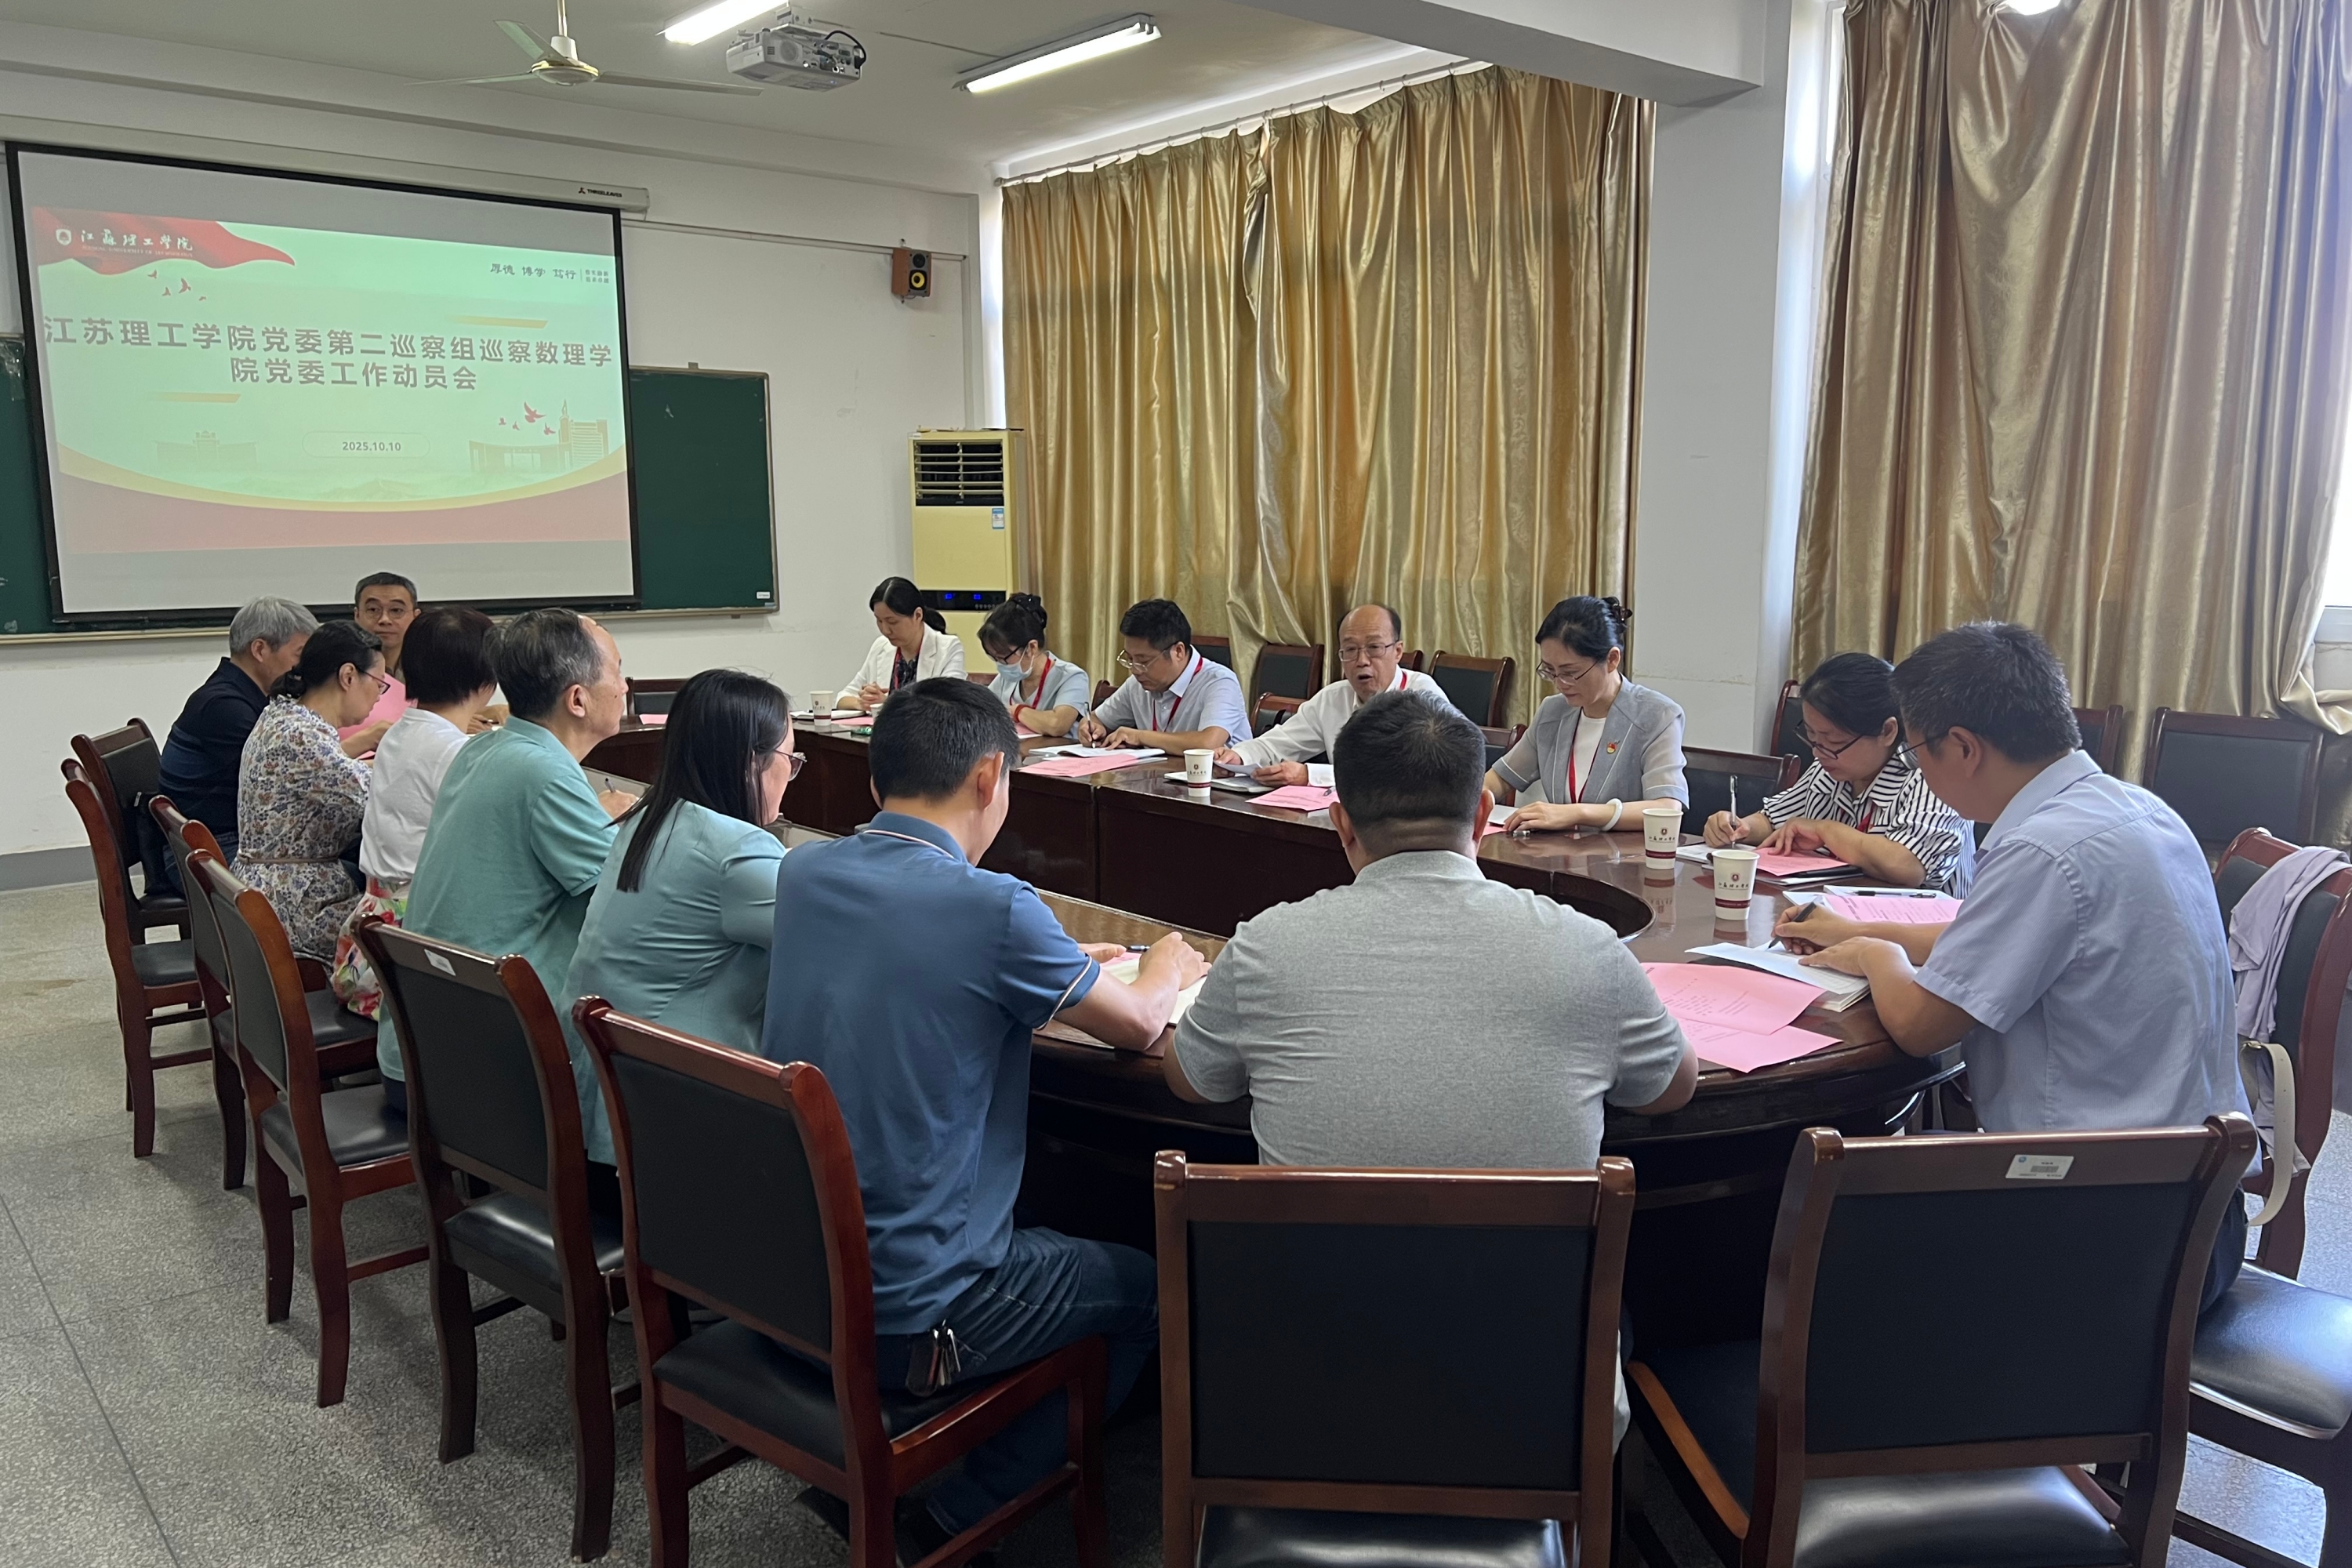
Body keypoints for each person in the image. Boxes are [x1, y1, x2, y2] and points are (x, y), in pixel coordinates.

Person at [764, 678, 1206, 1555]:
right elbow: (1140, 1023)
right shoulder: (994, 906)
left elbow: (919, 961)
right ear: (990, 776)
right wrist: (1163, 964)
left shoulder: (805, 871)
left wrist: (1056, 956)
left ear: (876, 777)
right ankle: (955, 1512)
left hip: (794, 1274)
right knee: (1152, 1287)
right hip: (916, 1307)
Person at [1784, 622, 2251, 1309]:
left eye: (1917, 751)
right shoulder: (2136, 809)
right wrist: (1857, 928)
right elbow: (1996, 937)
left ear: (1963, 747)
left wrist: (1877, 955)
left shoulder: (2040, 849)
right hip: (2201, 1209)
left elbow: (1919, 1026)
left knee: (1810, 1245)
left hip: (2106, 1241)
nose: (1921, 771)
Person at [1171, 689, 1697, 1161]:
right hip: (1530, 1247)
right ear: (1483, 815)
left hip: (1315, 1246)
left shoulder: (1263, 947)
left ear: (1342, 824)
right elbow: (1671, 1088)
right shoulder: (1590, 949)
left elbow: (1192, 1080)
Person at [379, 608, 630, 1113]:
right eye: (619, 670)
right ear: (577, 699)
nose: (626, 686)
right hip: (478, 1073)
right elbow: (625, 904)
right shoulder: (543, 773)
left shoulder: (484, 750)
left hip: (421, 1048)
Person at [564, 670, 797, 1167]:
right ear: (751, 763)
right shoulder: (737, 851)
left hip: (599, 1106)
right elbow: (835, 945)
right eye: (789, 761)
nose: (789, 778)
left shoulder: (647, 818)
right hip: (670, 1127)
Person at [330, 608, 499, 1017]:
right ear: (487, 681)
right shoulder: (457, 752)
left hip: (373, 940)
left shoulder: (400, 733)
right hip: (416, 958)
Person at [1704, 652, 1975, 893]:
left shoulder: (1931, 775)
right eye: (1812, 736)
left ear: (1887, 731)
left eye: (1834, 741)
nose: (1818, 752)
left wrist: (1826, 830)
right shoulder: (1829, 769)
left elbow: (1908, 866)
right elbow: (1775, 819)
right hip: (1840, 914)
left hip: (1924, 928)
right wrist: (1739, 827)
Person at [234, 622, 382, 960]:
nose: (378, 696)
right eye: (379, 684)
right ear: (348, 676)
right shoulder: (301, 737)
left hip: (277, 890)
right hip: (295, 907)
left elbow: (343, 773)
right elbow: (377, 796)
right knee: (408, 925)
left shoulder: (285, 714)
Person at [1487, 596, 1688, 833]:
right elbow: (1500, 778)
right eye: (1550, 671)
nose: (1560, 684)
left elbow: (1667, 808)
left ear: (1612, 659)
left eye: (1570, 672)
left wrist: (1577, 813)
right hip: (1560, 852)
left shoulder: (1657, 716)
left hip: (1623, 854)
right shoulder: (1553, 711)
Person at [155, 595, 319, 880]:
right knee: (349, 869)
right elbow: (298, 773)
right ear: (260, 649)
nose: (304, 665)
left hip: (217, 839)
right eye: (299, 653)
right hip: (207, 851)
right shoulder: (225, 707)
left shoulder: (242, 695)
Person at [1215, 604, 1451, 787]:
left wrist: (1311, 775)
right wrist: (1238, 757)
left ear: (1398, 651)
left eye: (1374, 648)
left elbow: (1404, 775)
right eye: (1350, 650)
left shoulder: (1422, 696)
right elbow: (1280, 743)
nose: (1362, 661)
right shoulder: (1333, 698)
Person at [1073, 598, 1252, 752]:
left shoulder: (1219, 682)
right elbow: (1096, 719)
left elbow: (1208, 743)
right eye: (1129, 659)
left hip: (1217, 780)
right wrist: (1090, 729)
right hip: (1157, 777)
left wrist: (1139, 736)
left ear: (1178, 651)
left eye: (1143, 661)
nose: (1135, 670)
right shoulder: (1137, 684)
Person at [835, 577, 965, 712]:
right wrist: (862, 703)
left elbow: (950, 706)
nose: (885, 630)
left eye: (892, 622)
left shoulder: (948, 648)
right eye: (879, 621)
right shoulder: (881, 646)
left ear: (918, 615)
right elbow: (843, 697)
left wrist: (887, 703)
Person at [979, 593, 1091, 738]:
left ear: (1031, 648)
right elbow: (982, 712)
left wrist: (1017, 711)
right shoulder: (1005, 680)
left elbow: (1057, 725)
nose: (1000, 665)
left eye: (1004, 658)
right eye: (995, 658)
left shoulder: (1071, 677)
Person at [341, 572, 416, 745]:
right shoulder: (340, 670)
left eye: (396, 610)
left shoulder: (431, 666)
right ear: (357, 615)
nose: (384, 620)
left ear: (415, 616)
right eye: (373, 610)